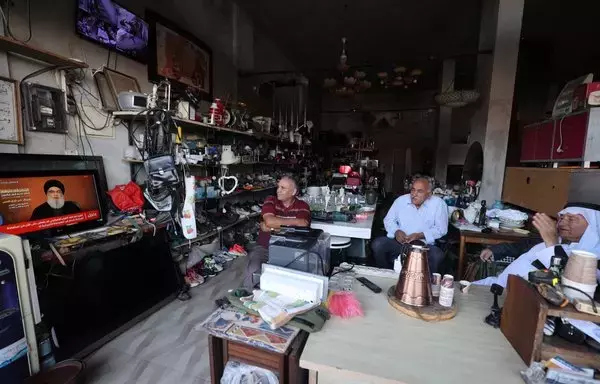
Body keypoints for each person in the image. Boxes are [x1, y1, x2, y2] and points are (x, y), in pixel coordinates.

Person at [473, 203, 600, 288]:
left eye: (571, 219)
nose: (562, 223)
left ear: (593, 226)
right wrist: (495, 250)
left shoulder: (594, 259)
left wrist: (552, 243)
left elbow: (567, 286)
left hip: (520, 301)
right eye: (561, 218)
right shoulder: (554, 238)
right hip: (496, 285)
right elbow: (521, 246)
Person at [242, 176, 311, 288]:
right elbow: (269, 221)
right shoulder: (270, 200)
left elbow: (303, 224)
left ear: (293, 192)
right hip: (266, 247)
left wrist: (273, 228)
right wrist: (293, 223)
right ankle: (249, 295)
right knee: (252, 269)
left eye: (283, 188)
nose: (278, 190)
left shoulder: (302, 206)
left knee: (292, 276)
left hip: (291, 248)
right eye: (278, 187)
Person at [371, 177, 448, 273]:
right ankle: (387, 275)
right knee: (378, 244)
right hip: (401, 244)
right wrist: (396, 231)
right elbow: (388, 220)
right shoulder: (401, 201)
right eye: (413, 190)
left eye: (419, 191)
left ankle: (426, 284)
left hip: (423, 247)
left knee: (437, 255)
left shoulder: (438, 204)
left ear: (429, 194)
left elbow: (442, 229)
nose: (414, 194)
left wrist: (420, 235)